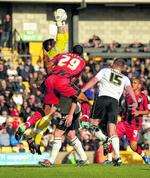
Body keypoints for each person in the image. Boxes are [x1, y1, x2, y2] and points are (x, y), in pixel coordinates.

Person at [81, 58, 138, 166]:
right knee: (112, 130)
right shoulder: (125, 78)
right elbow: (129, 89)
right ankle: (117, 157)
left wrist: (82, 90)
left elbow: (94, 81)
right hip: (114, 103)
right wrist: (135, 101)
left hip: (102, 99)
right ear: (122, 68)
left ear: (113, 64)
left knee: (92, 124)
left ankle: (105, 139)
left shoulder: (105, 71)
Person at [26, 96, 88, 166]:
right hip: (70, 111)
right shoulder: (53, 92)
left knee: (57, 133)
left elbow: (75, 99)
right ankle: (84, 158)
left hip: (71, 112)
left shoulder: (61, 88)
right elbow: (53, 108)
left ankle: (50, 161)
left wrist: (70, 115)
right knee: (71, 135)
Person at [105, 78, 150, 164]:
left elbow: (148, 111)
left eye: (135, 83)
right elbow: (124, 109)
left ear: (139, 85)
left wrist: (138, 112)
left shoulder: (143, 97)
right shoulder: (128, 96)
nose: (132, 84)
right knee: (112, 136)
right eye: (132, 82)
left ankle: (144, 156)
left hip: (135, 125)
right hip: (124, 122)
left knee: (133, 146)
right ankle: (109, 159)